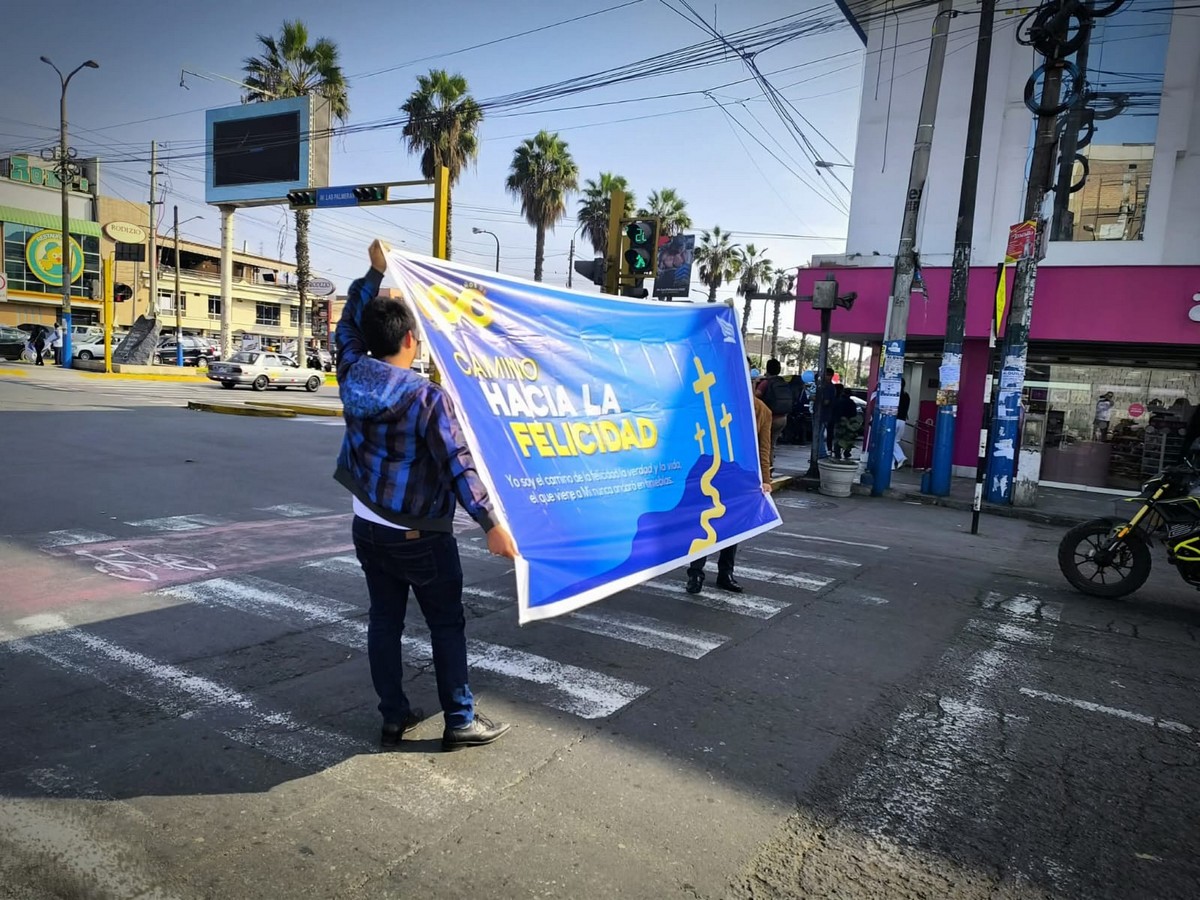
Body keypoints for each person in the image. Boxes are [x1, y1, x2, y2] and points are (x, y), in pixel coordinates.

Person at [336, 239, 517, 752]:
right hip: (421, 536)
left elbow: (347, 325)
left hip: (368, 527)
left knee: (384, 621)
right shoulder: (426, 397)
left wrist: (372, 275)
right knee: (445, 624)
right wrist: (491, 523)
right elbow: (457, 463)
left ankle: (393, 716)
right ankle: (459, 719)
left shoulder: (350, 371)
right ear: (411, 340)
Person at [686, 387, 774, 595]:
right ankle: (695, 573)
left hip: (740, 476)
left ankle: (725, 573)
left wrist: (766, 479)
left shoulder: (762, 411)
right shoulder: (721, 402)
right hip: (713, 470)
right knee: (706, 521)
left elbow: (763, 448)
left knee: (733, 525)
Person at [754, 358, 795, 464]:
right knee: (771, 445)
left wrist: (754, 383)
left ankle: (765, 467)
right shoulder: (782, 381)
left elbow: (755, 397)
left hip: (771, 418)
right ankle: (770, 466)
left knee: (763, 445)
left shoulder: (765, 383)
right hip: (783, 418)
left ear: (767, 369)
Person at [829, 384, 859, 460]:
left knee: (838, 438)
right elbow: (854, 413)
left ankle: (837, 453)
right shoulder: (851, 402)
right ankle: (847, 452)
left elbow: (833, 411)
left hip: (839, 421)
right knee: (848, 438)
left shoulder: (837, 401)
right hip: (848, 422)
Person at [893, 377, 911, 469]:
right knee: (895, 441)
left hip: (894, 420)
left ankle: (901, 457)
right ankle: (891, 465)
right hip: (902, 421)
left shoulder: (895, 394)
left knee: (891, 441)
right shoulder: (906, 395)